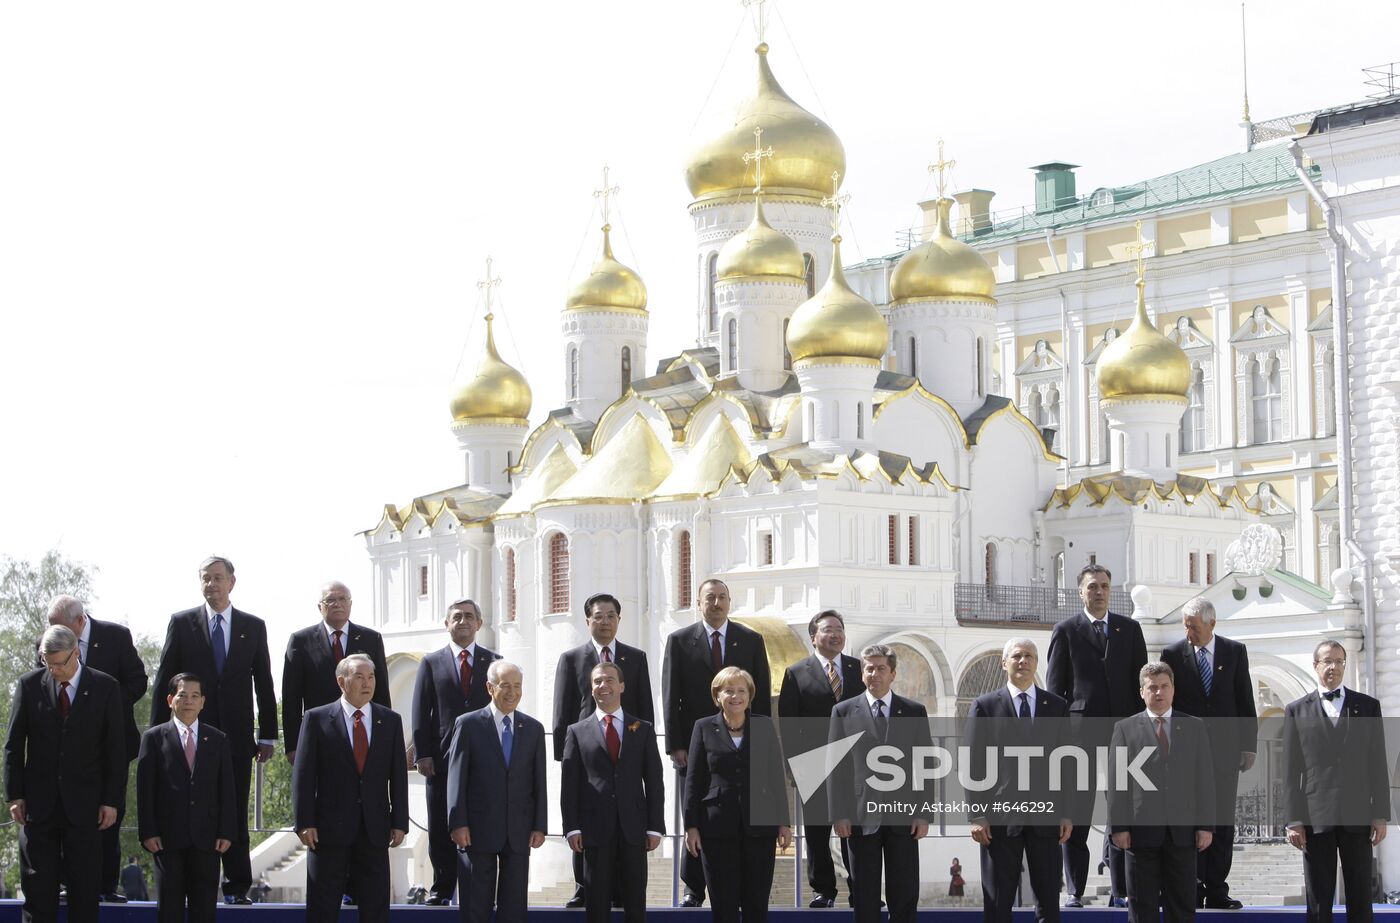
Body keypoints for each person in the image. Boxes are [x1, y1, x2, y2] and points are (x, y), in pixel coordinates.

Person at [150, 556, 278, 905]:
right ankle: (186, 885)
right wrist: (156, 733)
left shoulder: (252, 626)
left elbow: (264, 682)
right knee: (188, 806)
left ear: (232, 582)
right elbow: (164, 678)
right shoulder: (182, 623)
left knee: (233, 808)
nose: (212, 584)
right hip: (190, 735)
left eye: (218, 578)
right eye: (206, 578)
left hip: (236, 737)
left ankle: (237, 886)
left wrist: (268, 733)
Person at [5, 625, 126, 923]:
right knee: (38, 894)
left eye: (59, 663)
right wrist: (15, 795)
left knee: (84, 893)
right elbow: (13, 744)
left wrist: (111, 800)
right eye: (48, 663)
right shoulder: (29, 685)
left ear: (76, 653)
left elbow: (115, 750)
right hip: (38, 807)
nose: (54, 670)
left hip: (86, 808)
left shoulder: (105, 687)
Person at [662, 577, 771, 906]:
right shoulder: (680, 640)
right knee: (697, 810)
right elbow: (671, 694)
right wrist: (676, 744)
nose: (716, 603)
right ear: (699, 603)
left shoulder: (751, 639)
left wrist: (761, 739)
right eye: (710, 598)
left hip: (744, 743)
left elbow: (760, 694)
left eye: (722, 597)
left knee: (741, 812)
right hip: (697, 745)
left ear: (729, 601)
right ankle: (694, 886)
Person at [1045, 563, 1147, 907]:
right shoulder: (1065, 631)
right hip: (1079, 738)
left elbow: (1140, 686)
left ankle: (1120, 891)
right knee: (1076, 815)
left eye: (1104, 586)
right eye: (1092, 587)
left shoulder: (1129, 630)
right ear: (1080, 592)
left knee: (1121, 813)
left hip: (1123, 736)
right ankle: (1074, 890)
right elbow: (1056, 691)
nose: (1099, 592)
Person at [551, 592, 655, 909]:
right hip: (586, 754)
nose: (605, 621)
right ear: (588, 621)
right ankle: (583, 886)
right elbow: (562, 710)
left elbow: (644, 707)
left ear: (619, 620)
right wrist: (565, 756)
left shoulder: (635, 658)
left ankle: (619, 888)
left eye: (611, 616)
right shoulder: (571, 659)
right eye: (598, 616)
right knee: (587, 824)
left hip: (626, 749)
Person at [42, 596, 148, 903]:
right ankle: (68, 882)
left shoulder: (115, 637)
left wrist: (103, 706)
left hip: (111, 744)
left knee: (109, 813)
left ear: (79, 621)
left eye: (60, 626)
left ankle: (105, 885)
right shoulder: (49, 642)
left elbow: (137, 681)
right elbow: (44, 687)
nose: (54, 632)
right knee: (66, 812)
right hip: (67, 749)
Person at [292, 654, 408, 923]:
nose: (367, 683)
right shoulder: (317, 719)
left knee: (375, 907)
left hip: (374, 829)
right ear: (341, 682)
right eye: (359, 677)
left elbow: (398, 776)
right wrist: (304, 822)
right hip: (328, 831)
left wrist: (399, 822)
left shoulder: (390, 720)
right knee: (323, 907)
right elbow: (304, 776)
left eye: (371, 677)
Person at [1160, 597, 1257, 909]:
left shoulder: (1234, 652)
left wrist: (1248, 745)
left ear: (1211, 623)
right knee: (1188, 821)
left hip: (1224, 753)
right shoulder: (1172, 654)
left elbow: (1245, 699)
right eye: (1185, 626)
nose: (1188, 632)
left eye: (1194, 626)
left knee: (1221, 821)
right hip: (1185, 754)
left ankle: (1216, 889)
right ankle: (1190, 886)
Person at [965, 637, 1072, 923]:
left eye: (1029, 656)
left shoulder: (1056, 706)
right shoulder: (985, 706)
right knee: (998, 902)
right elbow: (973, 764)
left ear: (1037, 663)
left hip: (1046, 817)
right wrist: (977, 815)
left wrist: (1066, 812)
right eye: (1016, 656)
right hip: (998, 820)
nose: (1023, 661)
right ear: (1004, 663)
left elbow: (1066, 763)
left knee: (1049, 902)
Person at [1282, 640, 1389, 923]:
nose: (1334, 667)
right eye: (1327, 661)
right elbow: (1290, 770)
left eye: (1339, 661)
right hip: (1315, 818)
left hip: (1358, 815)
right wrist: (1293, 819)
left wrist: (1380, 814)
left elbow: (1378, 764)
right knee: (1318, 901)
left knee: (1361, 898)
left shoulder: (1368, 707)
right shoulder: (1296, 710)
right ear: (1315, 665)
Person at [829, 644, 931, 923]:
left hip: (904, 816)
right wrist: (839, 813)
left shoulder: (913, 711)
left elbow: (925, 765)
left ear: (893, 674)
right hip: (860, 817)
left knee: (905, 892)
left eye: (881, 668)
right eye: (869, 668)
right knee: (864, 894)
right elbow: (836, 767)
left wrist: (923, 814)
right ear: (862, 673)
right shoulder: (843, 711)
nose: (874, 674)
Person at [1107, 662, 1215, 923]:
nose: (1159, 692)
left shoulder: (1194, 727)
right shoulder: (1124, 729)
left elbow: (1204, 780)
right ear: (1142, 692)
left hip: (1183, 834)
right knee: (1141, 909)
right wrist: (1118, 827)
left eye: (1164, 686)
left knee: (1182, 907)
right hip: (1139, 835)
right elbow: (1117, 782)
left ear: (1173, 689)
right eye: (1152, 687)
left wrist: (1206, 826)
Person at [410, 598, 501, 905]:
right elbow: (420, 710)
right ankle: (442, 887)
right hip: (441, 759)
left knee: (482, 824)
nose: (463, 621)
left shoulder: (494, 662)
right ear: (447, 624)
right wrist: (422, 753)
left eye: (469, 616)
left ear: (479, 623)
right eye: (457, 617)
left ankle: (480, 889)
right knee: (441, 824)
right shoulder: (431, 662)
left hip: (484, 759)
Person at [560, 662, 666, 923]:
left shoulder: (643, 729)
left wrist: (655, 827)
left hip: (634, 829)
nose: (603, 685)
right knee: (596, 904)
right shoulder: (576, 731)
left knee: (635, 904)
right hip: (594, 830)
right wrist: (571, 827)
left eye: (609, 680)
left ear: (622, 686)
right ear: (591, 688)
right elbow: (569, 785)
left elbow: (654, 781)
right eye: (597, 681)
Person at [684, 666, 791, 923]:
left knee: (757, 905)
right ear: (717, 696)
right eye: (728, 691)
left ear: (750, 695)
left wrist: (784, 823)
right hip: (717, 828)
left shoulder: (764, 725)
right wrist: (691, 826)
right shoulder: (703, 727)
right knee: (723, 906)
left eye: (741, 690)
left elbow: (776, 777)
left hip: (760, 827)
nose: (735, 696)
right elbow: (694, 780)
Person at [776, 610, 865, 909]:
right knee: (817, 833)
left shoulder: (858, 669)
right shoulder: (796, 672)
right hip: (813, 764)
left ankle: (861, 889)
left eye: (839, 628)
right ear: (813, 637)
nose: (835, 634)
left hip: (855, 765)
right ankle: (823, 890)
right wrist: (794, 767)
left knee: (855, 831)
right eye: (828, 629)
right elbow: (789, 725)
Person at [446, 660, 546, 923]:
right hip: (476, 830)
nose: (512, 692)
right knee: (475, 907)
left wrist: (539, 825)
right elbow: (457, 777)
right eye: (505, 686)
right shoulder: (468, 724)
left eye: (517, 686)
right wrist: (458, 822)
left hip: (518, 830)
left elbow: (538, 781)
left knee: (514, 908)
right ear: (490, 688)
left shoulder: (533, 729)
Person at [136, 673, 237, 923]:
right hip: (167, 840)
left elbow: (226, 790)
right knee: (169, 910)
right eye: (182, 695)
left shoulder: (218, 739)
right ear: (171, 700)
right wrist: (148, 831)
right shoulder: (154, 737)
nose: (189, 701)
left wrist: (226, 831)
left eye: (195, 696)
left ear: (203, 702)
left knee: (204, 910)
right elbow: (145, 789)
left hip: (207, 840)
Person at [282, 581, 391, 761]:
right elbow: (291, 696)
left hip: (362, 731)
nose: (337, 604)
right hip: (320, 733)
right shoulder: (301, 641)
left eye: (343, 599)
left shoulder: (371, 639)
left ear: (350, 604)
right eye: (330, 600)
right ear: (320, 607)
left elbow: (381, 691)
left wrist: (385, 736)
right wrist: (293, 745)